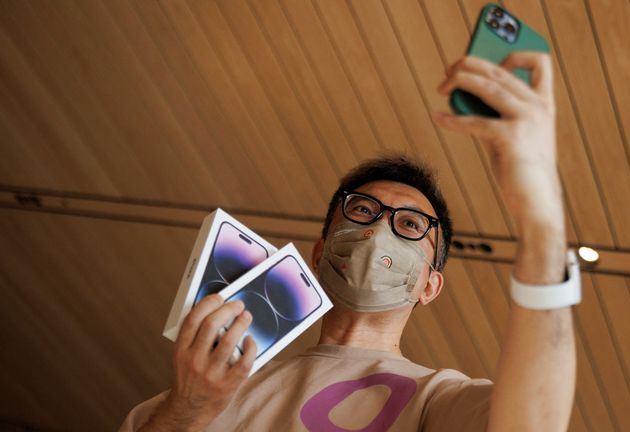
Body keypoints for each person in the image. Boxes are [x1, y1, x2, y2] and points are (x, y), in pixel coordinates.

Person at [119, 51, 578, 431]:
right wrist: (192, 407)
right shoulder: (207, 386)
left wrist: (544, 224)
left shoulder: (436, 399)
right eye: (362, 210)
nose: (379, 231)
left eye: (412, 225)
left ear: (429, 286)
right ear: (319, 254)